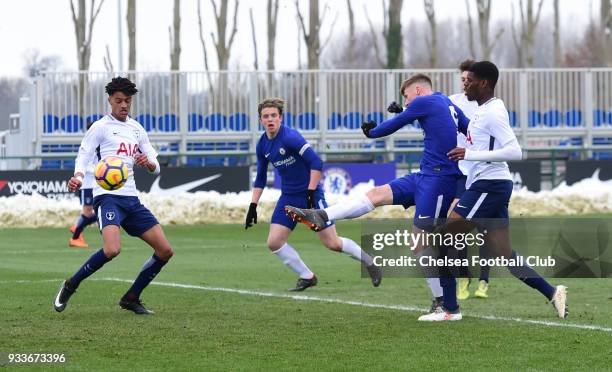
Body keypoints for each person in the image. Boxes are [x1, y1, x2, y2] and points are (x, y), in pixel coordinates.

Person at [285, 74, 469, 310]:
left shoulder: (424, 102)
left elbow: (393, 125)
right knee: (376, 194)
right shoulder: (445, 101)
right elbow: (467, 128)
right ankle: (323, 215)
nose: (408, 101)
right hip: (425, 175)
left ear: (419, 90)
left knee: (420, 243)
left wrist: (370, 132)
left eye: (407, 96)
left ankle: (443, 301)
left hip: (440, 179)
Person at [418, 61, 568, 321]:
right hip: (491, 184)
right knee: (504, 252)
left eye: (470, 81)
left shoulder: (493, 112)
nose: (466, 84)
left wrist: (471, 154)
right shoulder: (481, 109)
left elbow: (514, 151)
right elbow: (444, 108)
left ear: (484, 83)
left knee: (442, 238)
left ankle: (449, 309)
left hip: (489, 185)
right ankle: (553, 292)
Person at [54, 77, 174, 315]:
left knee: (165, 251)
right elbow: (84, 155)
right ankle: (70, 285)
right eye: (119, 100)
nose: (123, 105)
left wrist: (148, 163)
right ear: (109, 100)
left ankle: (131, 297)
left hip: (131, 199)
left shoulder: (137, 129)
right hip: (107, 197)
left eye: (127, 101)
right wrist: (78, 176)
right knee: (111, 249)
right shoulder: (100, 127)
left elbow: (156, 165)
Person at [245, 97, 381, 291]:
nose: (270, 119)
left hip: (311, 195)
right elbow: (259, 178)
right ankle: (307, 276)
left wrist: (310, 193)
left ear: (281, 118)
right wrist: (252, 206)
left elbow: (316, 163)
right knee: (274, 242)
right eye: (266, 116)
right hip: (289, 197)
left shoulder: (290, 137)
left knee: (332, 243)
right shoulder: (262, 145)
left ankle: (369, 262)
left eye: (274, 115)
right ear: (260, 120)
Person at [448, 59, 491, 300]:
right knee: (458, 226)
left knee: (486, 229)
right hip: (462, 172)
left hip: (483, 173)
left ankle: (484, 280)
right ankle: (463, 277)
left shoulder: (487, 106)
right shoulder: (453, 101)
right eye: (463, 79)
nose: (466, 83)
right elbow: (428, 109)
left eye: (469, 80)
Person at [69, 122, 98, 248]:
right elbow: (82, 162)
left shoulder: (98, 143)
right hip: (87, 183)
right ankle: (75, 237)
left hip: (95, 183)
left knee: (97, 211)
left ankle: (77, 226)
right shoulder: (88, 144)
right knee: (88, 212)